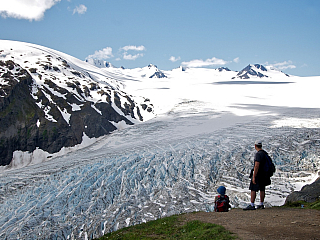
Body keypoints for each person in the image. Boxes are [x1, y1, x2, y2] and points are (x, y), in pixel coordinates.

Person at [243, 140, 271, 210]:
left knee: (253, 189)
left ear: (255, 146)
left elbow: (256, 165)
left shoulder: (258, 154)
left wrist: (254, 176)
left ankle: (252, 204)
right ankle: (261, 204)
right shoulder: (265, 153)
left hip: (258, 174)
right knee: (262, 189)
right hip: (264, 174)